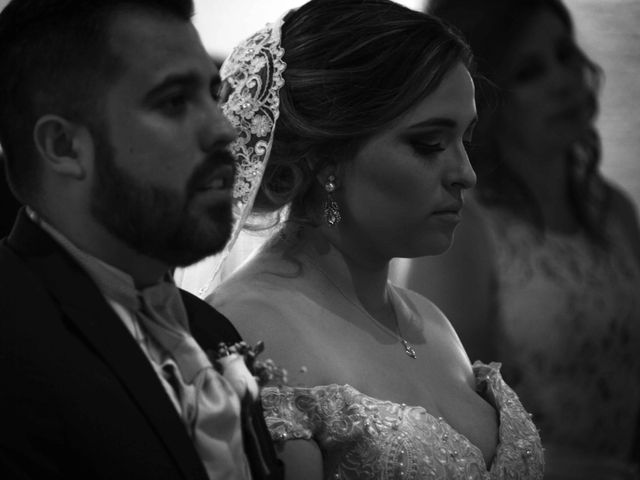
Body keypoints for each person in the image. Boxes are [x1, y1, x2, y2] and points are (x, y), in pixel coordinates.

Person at [185, 0, 544, 478]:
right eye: (429, 144)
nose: (466, 174)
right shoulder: (249, 330)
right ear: (328, 158)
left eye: (467, 142)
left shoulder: (430, 322)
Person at [0, 0, 282, 478]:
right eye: (174, 102)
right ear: (64, 147)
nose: (223, 128)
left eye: (213, 95)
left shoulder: (212, 331)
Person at [391, 0, 640, 478]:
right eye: (530, 71)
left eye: (565, 55)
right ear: (486, 99)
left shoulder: (614, 210)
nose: (563, 80)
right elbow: (452, 424)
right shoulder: (460, 228)